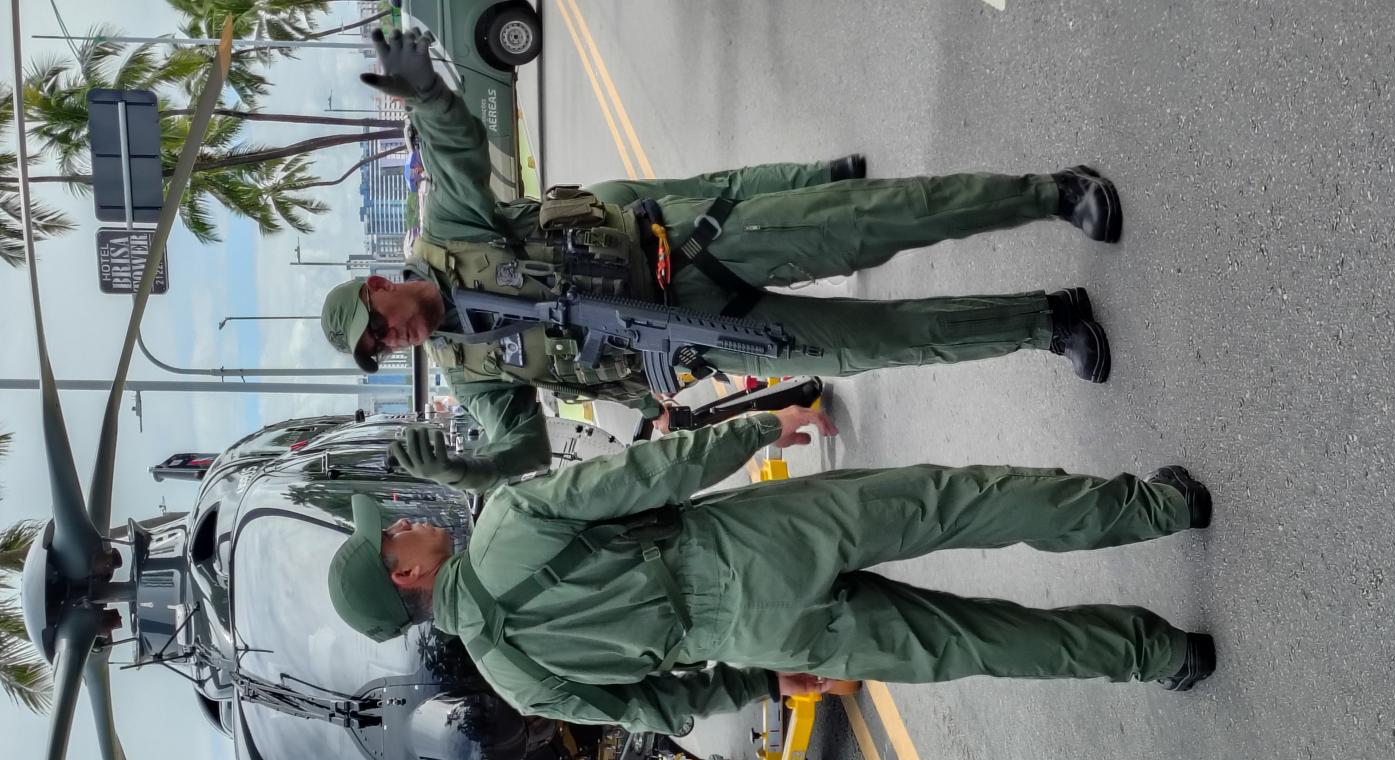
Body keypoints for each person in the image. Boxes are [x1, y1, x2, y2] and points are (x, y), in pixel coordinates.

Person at [321, 29, 1124, 493]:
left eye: (376, 325)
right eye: (377, 350)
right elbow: (527, 447)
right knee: (878, 344)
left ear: (381, 285)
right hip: (699, 338)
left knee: (879, 220)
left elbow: (459, 154)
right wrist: (469, 469)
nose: (389, 341)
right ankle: (1045, 322)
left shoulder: (448, 235)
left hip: (685, 245)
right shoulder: (468, 372)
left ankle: (1054, 193)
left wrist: (430, 96)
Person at [326, 407, 1217, 737]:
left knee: (970, 643)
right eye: (393, 535)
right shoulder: (502, 526)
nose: (406, 520)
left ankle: (1161, 654)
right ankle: (1160, 509)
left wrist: (760, 679)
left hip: (756, 634)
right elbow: (646, 475)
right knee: (958, 504)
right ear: (404, 575)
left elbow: (653, 709)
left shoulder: (515, 680)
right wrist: (760, 429)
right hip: (752, 542)